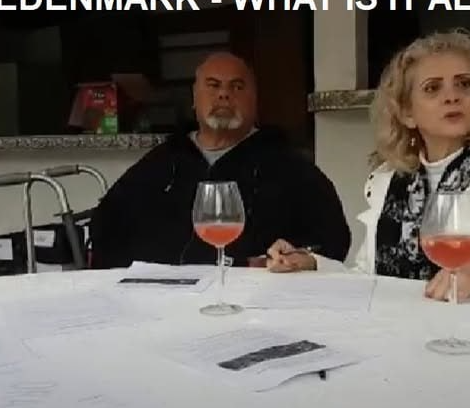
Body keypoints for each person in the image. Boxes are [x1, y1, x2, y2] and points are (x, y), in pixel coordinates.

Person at [265, 32, 470, 307]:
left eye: (464, 84)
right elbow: (372, 280)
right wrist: (312, 265)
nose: (452, 97)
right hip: (403, 339)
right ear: (407, 113)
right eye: (433, 88)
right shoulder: (389, 180)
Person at [89, 52, 351, 268]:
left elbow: (332, 240)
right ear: (195, 97)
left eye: (237, 86)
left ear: (254, 99)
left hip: (254, 300)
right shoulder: (162, 160)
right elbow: (106, 228)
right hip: (161, 297)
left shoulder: (289, 166)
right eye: (213, 85)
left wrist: (302, 260)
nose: (224, 94)